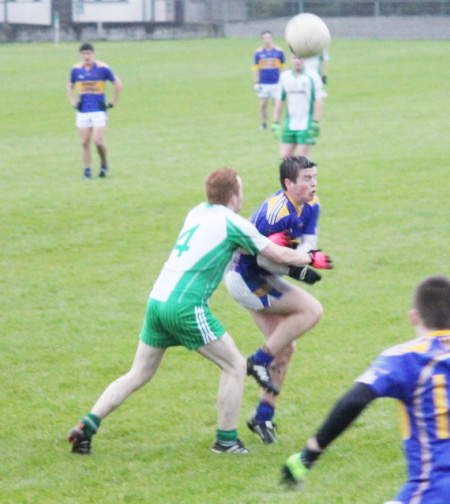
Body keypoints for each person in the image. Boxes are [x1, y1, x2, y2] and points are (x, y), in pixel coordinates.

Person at [68, 167, 332, 455]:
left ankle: (87, 426)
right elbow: (278, 255)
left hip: (157, 301)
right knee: (234, 366)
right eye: (240, 191)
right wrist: (309, 257)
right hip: (185, 305)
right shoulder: (235, 223)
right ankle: (226, 441)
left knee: (138, 373)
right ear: (234, 197)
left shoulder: (196, 212)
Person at [282, 274, 450, 504]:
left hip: (434, 489)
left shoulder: (406, 358)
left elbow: (355, 400)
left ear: (414, 317)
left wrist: (309, 453)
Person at [224, 156, 333, 444]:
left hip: (261, 275)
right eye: (307, 179)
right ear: (289, 183)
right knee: (312, 310)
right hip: (245, 278)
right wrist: (301, 267)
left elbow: (309, 240)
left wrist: (304, 257)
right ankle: (258, 360)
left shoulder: (312, 204)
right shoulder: (275, 214)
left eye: (314, 177)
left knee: (285, 347)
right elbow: (264, 260)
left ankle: (263, 416)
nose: (313, 183)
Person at [66, 42, 123, 179]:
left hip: (98, 110)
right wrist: (73, 102)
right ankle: (87, 172)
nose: (87, 56)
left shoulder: (102, 68)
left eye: (89, 53)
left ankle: (104, 163)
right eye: (84, 54)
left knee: (98, 141)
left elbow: (118, 84)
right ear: (80, 55)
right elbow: (69, 86)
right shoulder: (76, 69)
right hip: (83, 110)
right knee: (85, 141)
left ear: (93, 54)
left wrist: (112, 102)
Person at [272, 53, 327, 159]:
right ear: (290, 60)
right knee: (285, 157)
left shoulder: (312, 77)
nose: (297, 61)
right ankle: (291, 176)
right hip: (290, 124)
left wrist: (316, 122)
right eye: (295, 58)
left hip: (306, 125)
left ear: (304, 60)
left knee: (303, 158)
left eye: (300, 58)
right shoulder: (285, 77)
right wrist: (276, 122)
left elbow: (318, 100)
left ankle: (310, 175)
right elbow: (279, 100)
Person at [251, 30, 286, 130]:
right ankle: (264, 123)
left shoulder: (279, 51)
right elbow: (255, 68)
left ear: (272, 38)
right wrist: (256, 82)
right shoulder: (258, 53)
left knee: (276, 104)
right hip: (264, 83)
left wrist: (284, 80)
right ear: (262, 40)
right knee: (263, 105)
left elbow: (283, 67)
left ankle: (275, 123)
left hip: (276, 83)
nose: (267, 40)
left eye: (269, 38)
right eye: (265, 38)